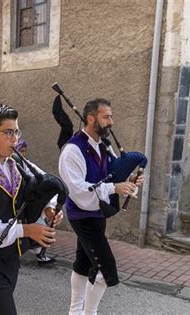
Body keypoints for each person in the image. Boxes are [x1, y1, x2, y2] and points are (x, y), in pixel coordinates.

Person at [0, 103, 63, 314]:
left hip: (10, 256)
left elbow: (39, 184)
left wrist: (48, 209)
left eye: (16, 131)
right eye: (7, 132)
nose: (15, 139)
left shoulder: (15, 161)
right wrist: (27, 230)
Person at [58, 99, 144, 315]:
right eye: (106, 117)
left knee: (83, 261)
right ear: (90, 118)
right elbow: (78, 190)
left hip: (97, 214)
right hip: (82, 215)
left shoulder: (103, 145)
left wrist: (130, 181)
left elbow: (114, 176)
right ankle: (89, 313)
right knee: (105, 271)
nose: (111, 122)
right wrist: (115, 188)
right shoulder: (73, 150)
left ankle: (75, 311)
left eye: (111, 116)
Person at [16, 139, 56, 266]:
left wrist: (50, 206)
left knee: (41, 228)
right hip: (15, 207)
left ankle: (40, 254)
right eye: (19, 151)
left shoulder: (28, 165)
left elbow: (45, 181)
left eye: (24, 151)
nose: (22, 154)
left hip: (29, 205)